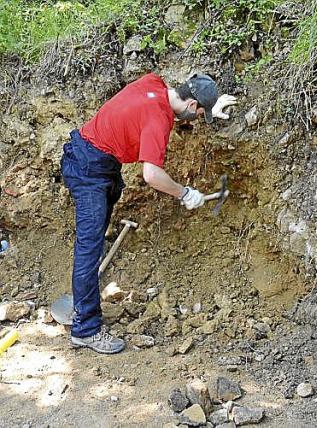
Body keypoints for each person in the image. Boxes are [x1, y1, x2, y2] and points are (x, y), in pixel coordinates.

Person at [61, 72, 236, 355]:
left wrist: (210, 107)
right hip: (89, 170)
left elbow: (171, 110)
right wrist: (185, 193)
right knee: (88, 250)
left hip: (95, 160)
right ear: (192, 106)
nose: (198, 118)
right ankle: (86, 330)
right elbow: (152, 174)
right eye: (200, 113)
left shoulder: (154, 83)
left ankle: (84, 306)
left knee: (91, 246)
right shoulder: (159, 120)